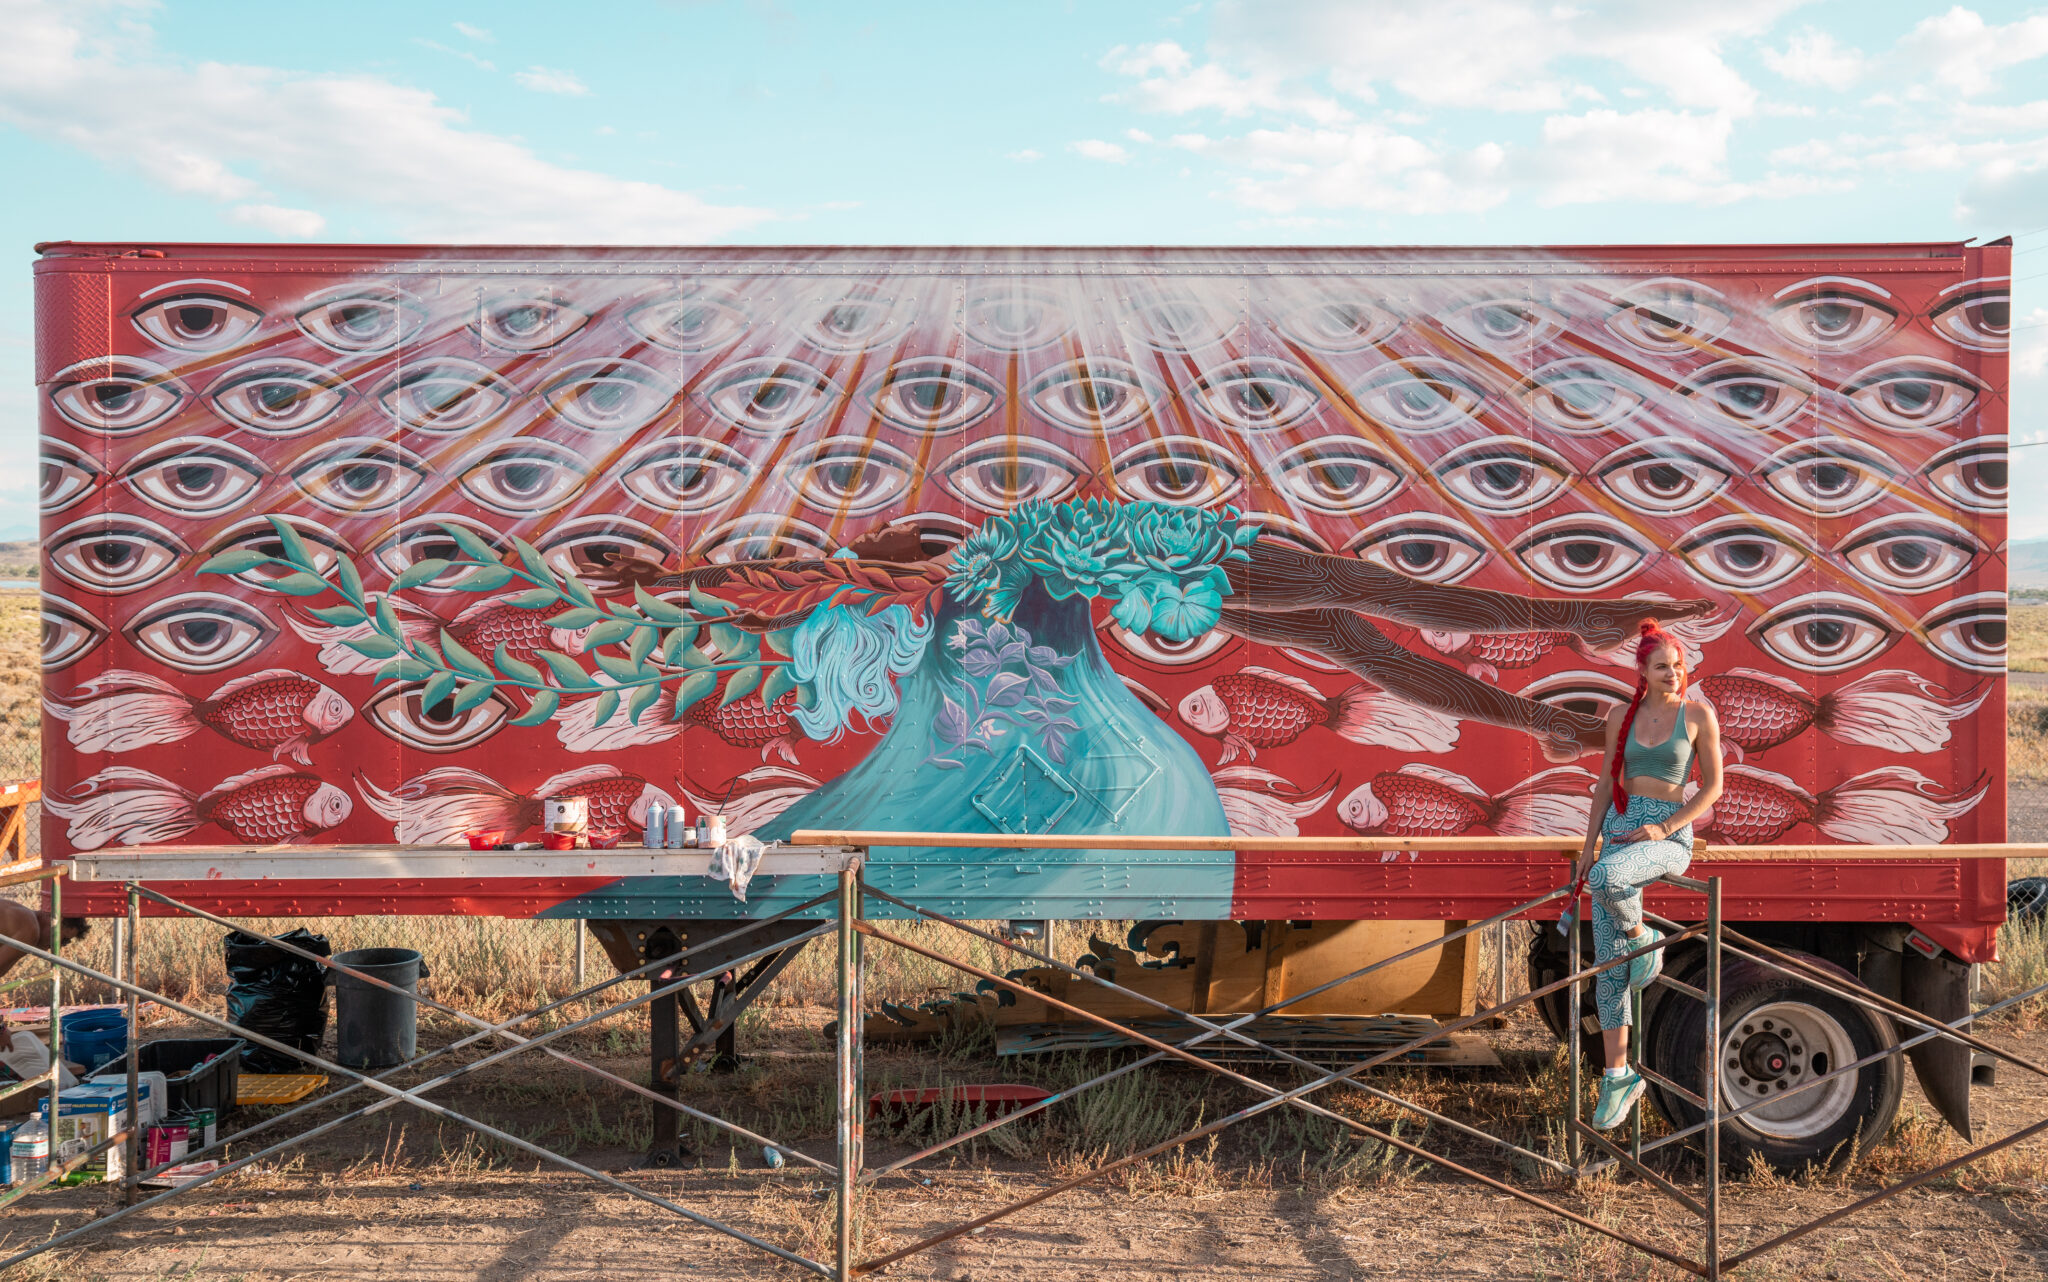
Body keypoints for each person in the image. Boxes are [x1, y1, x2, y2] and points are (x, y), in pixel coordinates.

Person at [1571, 619, 1724, 1130]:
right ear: (1642, 670)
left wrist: (1665, 827)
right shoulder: (1622, 716)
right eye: (1662, 667)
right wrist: (1588, 847)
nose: (1673, 674)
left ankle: (1646, 941)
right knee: (1610, 965)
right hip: (1620, 827)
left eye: (1678, 666)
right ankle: (1617, 1077)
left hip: (1665, 835)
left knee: (1608, 882)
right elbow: (1603, 785)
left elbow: (1713, 787)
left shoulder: (1697, 715)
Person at [0, 900, 87, 982]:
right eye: (64, 940)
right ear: (53, 920)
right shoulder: (31, 929)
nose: (59, 946)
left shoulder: (22, 915)